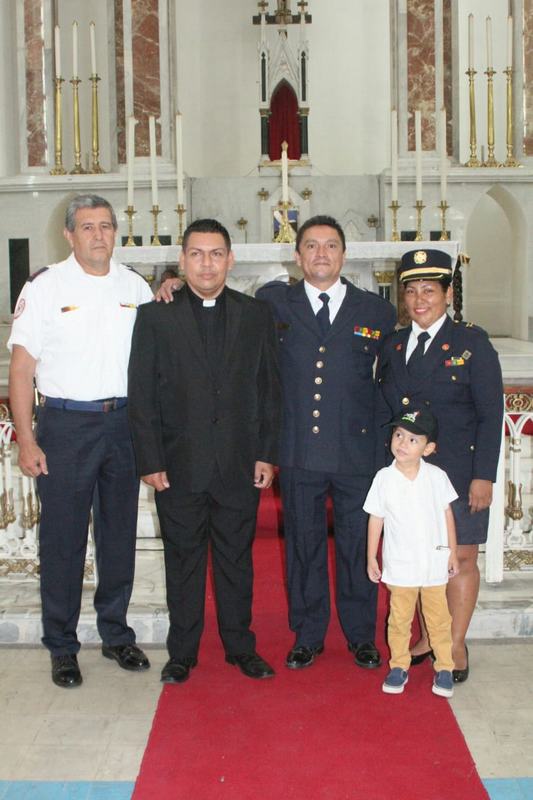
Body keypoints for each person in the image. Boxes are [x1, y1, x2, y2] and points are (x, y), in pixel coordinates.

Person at [8, 194, 153, 688]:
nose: (98, 235)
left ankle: (115, 634)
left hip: (123, 426)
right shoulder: (47, 286)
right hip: (65, 428)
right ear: (69, 235)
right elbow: (22, 369)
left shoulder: (136, 286)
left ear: (117, 232)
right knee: (63, 541)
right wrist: (27, 440)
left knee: (118, 537)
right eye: (87, 227)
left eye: (106, 226)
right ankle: (62, 646)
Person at [127, 218, 281, 684]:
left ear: (231, 260)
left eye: (216, 254)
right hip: (179, 463)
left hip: (238, 462)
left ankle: (240, 646)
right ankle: (182, 652)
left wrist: (266, 453)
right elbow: (142, 392)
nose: (207, 263)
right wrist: (150, 460)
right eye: (197, 254)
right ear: (182, 260)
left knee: (237, 560)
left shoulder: (255, 315)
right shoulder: (155, 315)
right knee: (184, 560)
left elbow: (269, 389)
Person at [256, 215, 397, 671]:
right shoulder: (274, 303)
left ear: (343, 255)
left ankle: (360, 635)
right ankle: (309, 633)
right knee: (303, 543)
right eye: (312, 246)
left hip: (358, 452)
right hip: (298, 448)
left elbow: (391, 380)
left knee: (360, 544)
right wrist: (174, 284)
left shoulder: (376, 311)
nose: (321, 254)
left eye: (331, 246)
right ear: (296, 256)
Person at [375, 248, 504, 683]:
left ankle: (454, 642)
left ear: (448, 294)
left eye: (429, 289)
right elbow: (385, 409)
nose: (419, 299)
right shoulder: (392, 345)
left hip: (460, 473)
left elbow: (491, 413)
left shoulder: (473, 343)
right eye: (410, 290)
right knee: (417, 559)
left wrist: (484, 475)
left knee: (460, 557)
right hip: (409, 477)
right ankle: (431, 636)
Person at [364, 408, 459, 697]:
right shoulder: (384, 478)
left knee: (439, 619)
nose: (402, 443)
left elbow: (447, 515)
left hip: (433, 564)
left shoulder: (437, 476)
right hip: (400, 564)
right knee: (399, 618)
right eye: (399, 435)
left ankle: (445, 667)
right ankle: (399, 665)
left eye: (413, 440)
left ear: (428, 448)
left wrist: (452, 552)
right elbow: (375, 518)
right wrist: (371, 556)